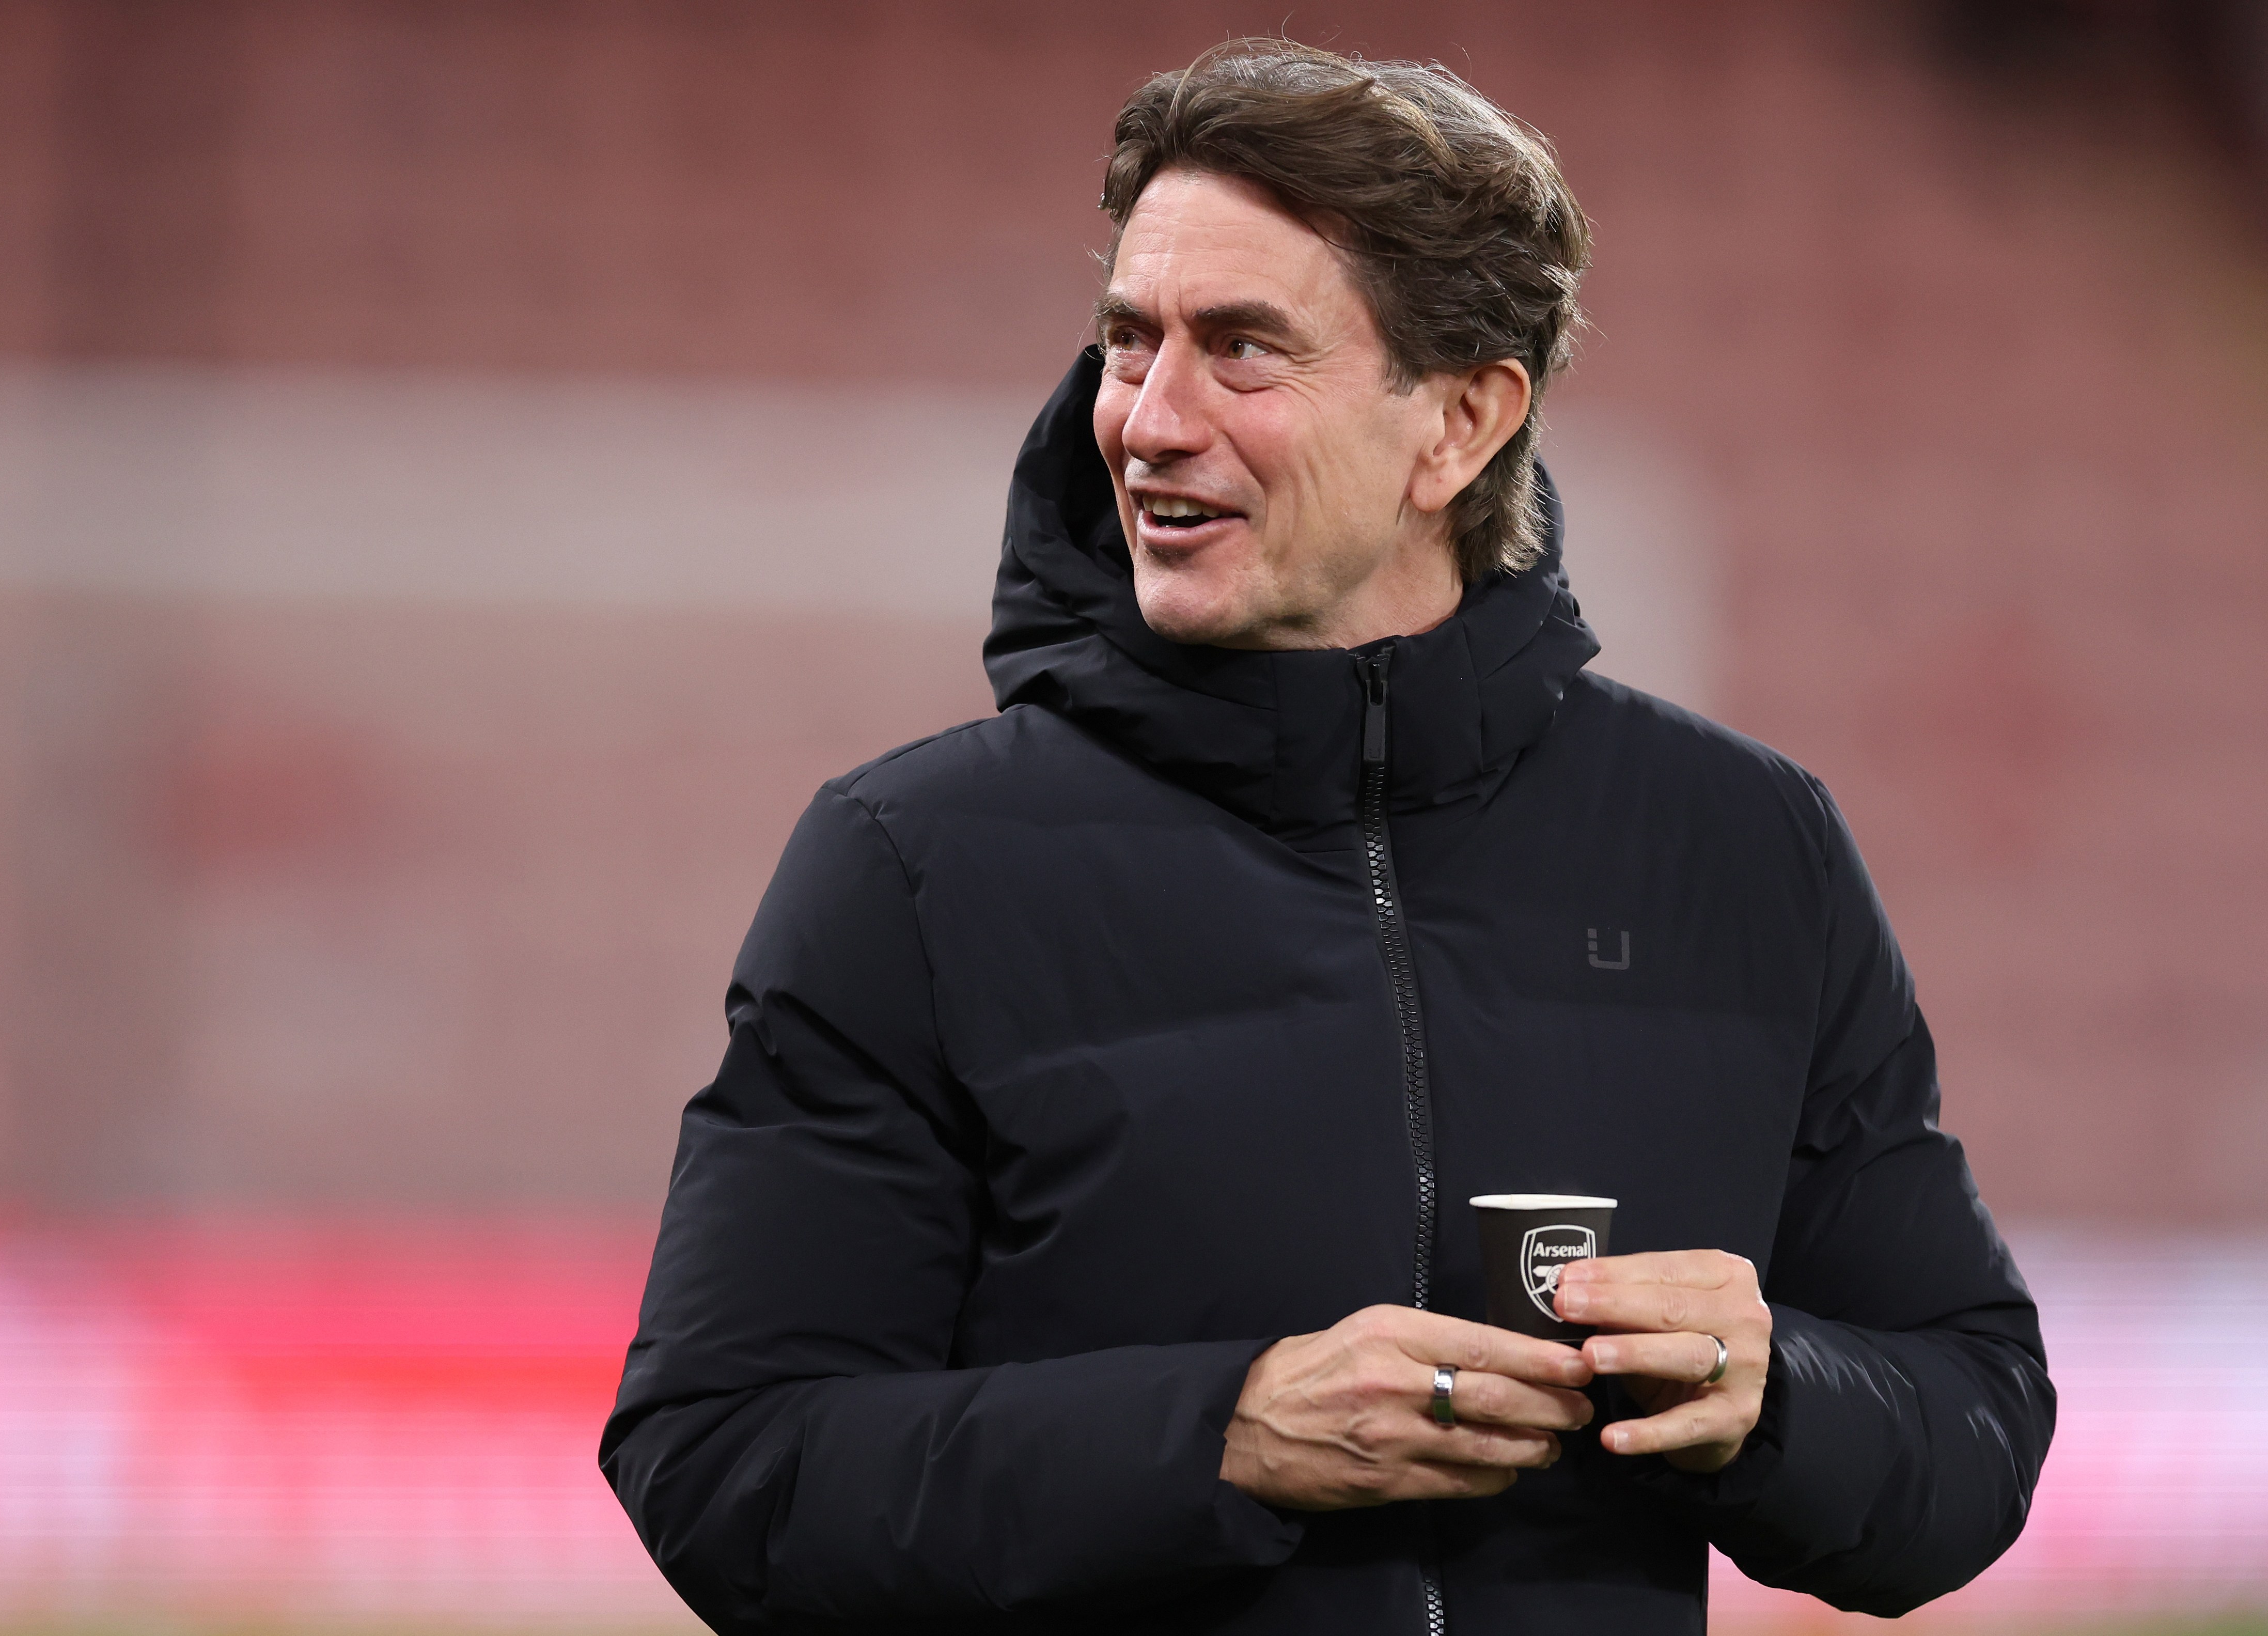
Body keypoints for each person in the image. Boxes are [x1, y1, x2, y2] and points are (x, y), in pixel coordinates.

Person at [602, 38, 2052, 1636]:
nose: (1148, 421)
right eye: (1129, 342)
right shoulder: (913, 864)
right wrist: (1224, 1437)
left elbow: (1976, 1422)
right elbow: (725, 1467)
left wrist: (1776, 1397)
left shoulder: (1743, 848)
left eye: (1242, 350)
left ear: (1462, 424)